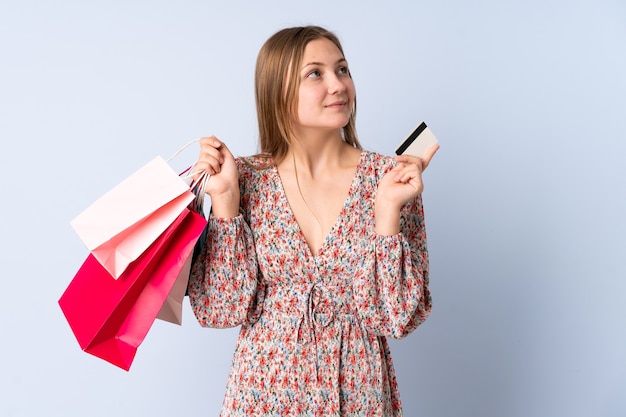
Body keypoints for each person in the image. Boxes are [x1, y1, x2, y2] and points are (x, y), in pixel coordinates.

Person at [188, 25, 438, 416]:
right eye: (315, 73)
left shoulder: (388, 179)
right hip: (263, 393)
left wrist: (387, 213)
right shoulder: (245, 179)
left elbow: (397, 316)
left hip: (357, 393)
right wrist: (225, 201)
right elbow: (222, 309)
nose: (338, 85)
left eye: (342, 69)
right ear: (278, 91)